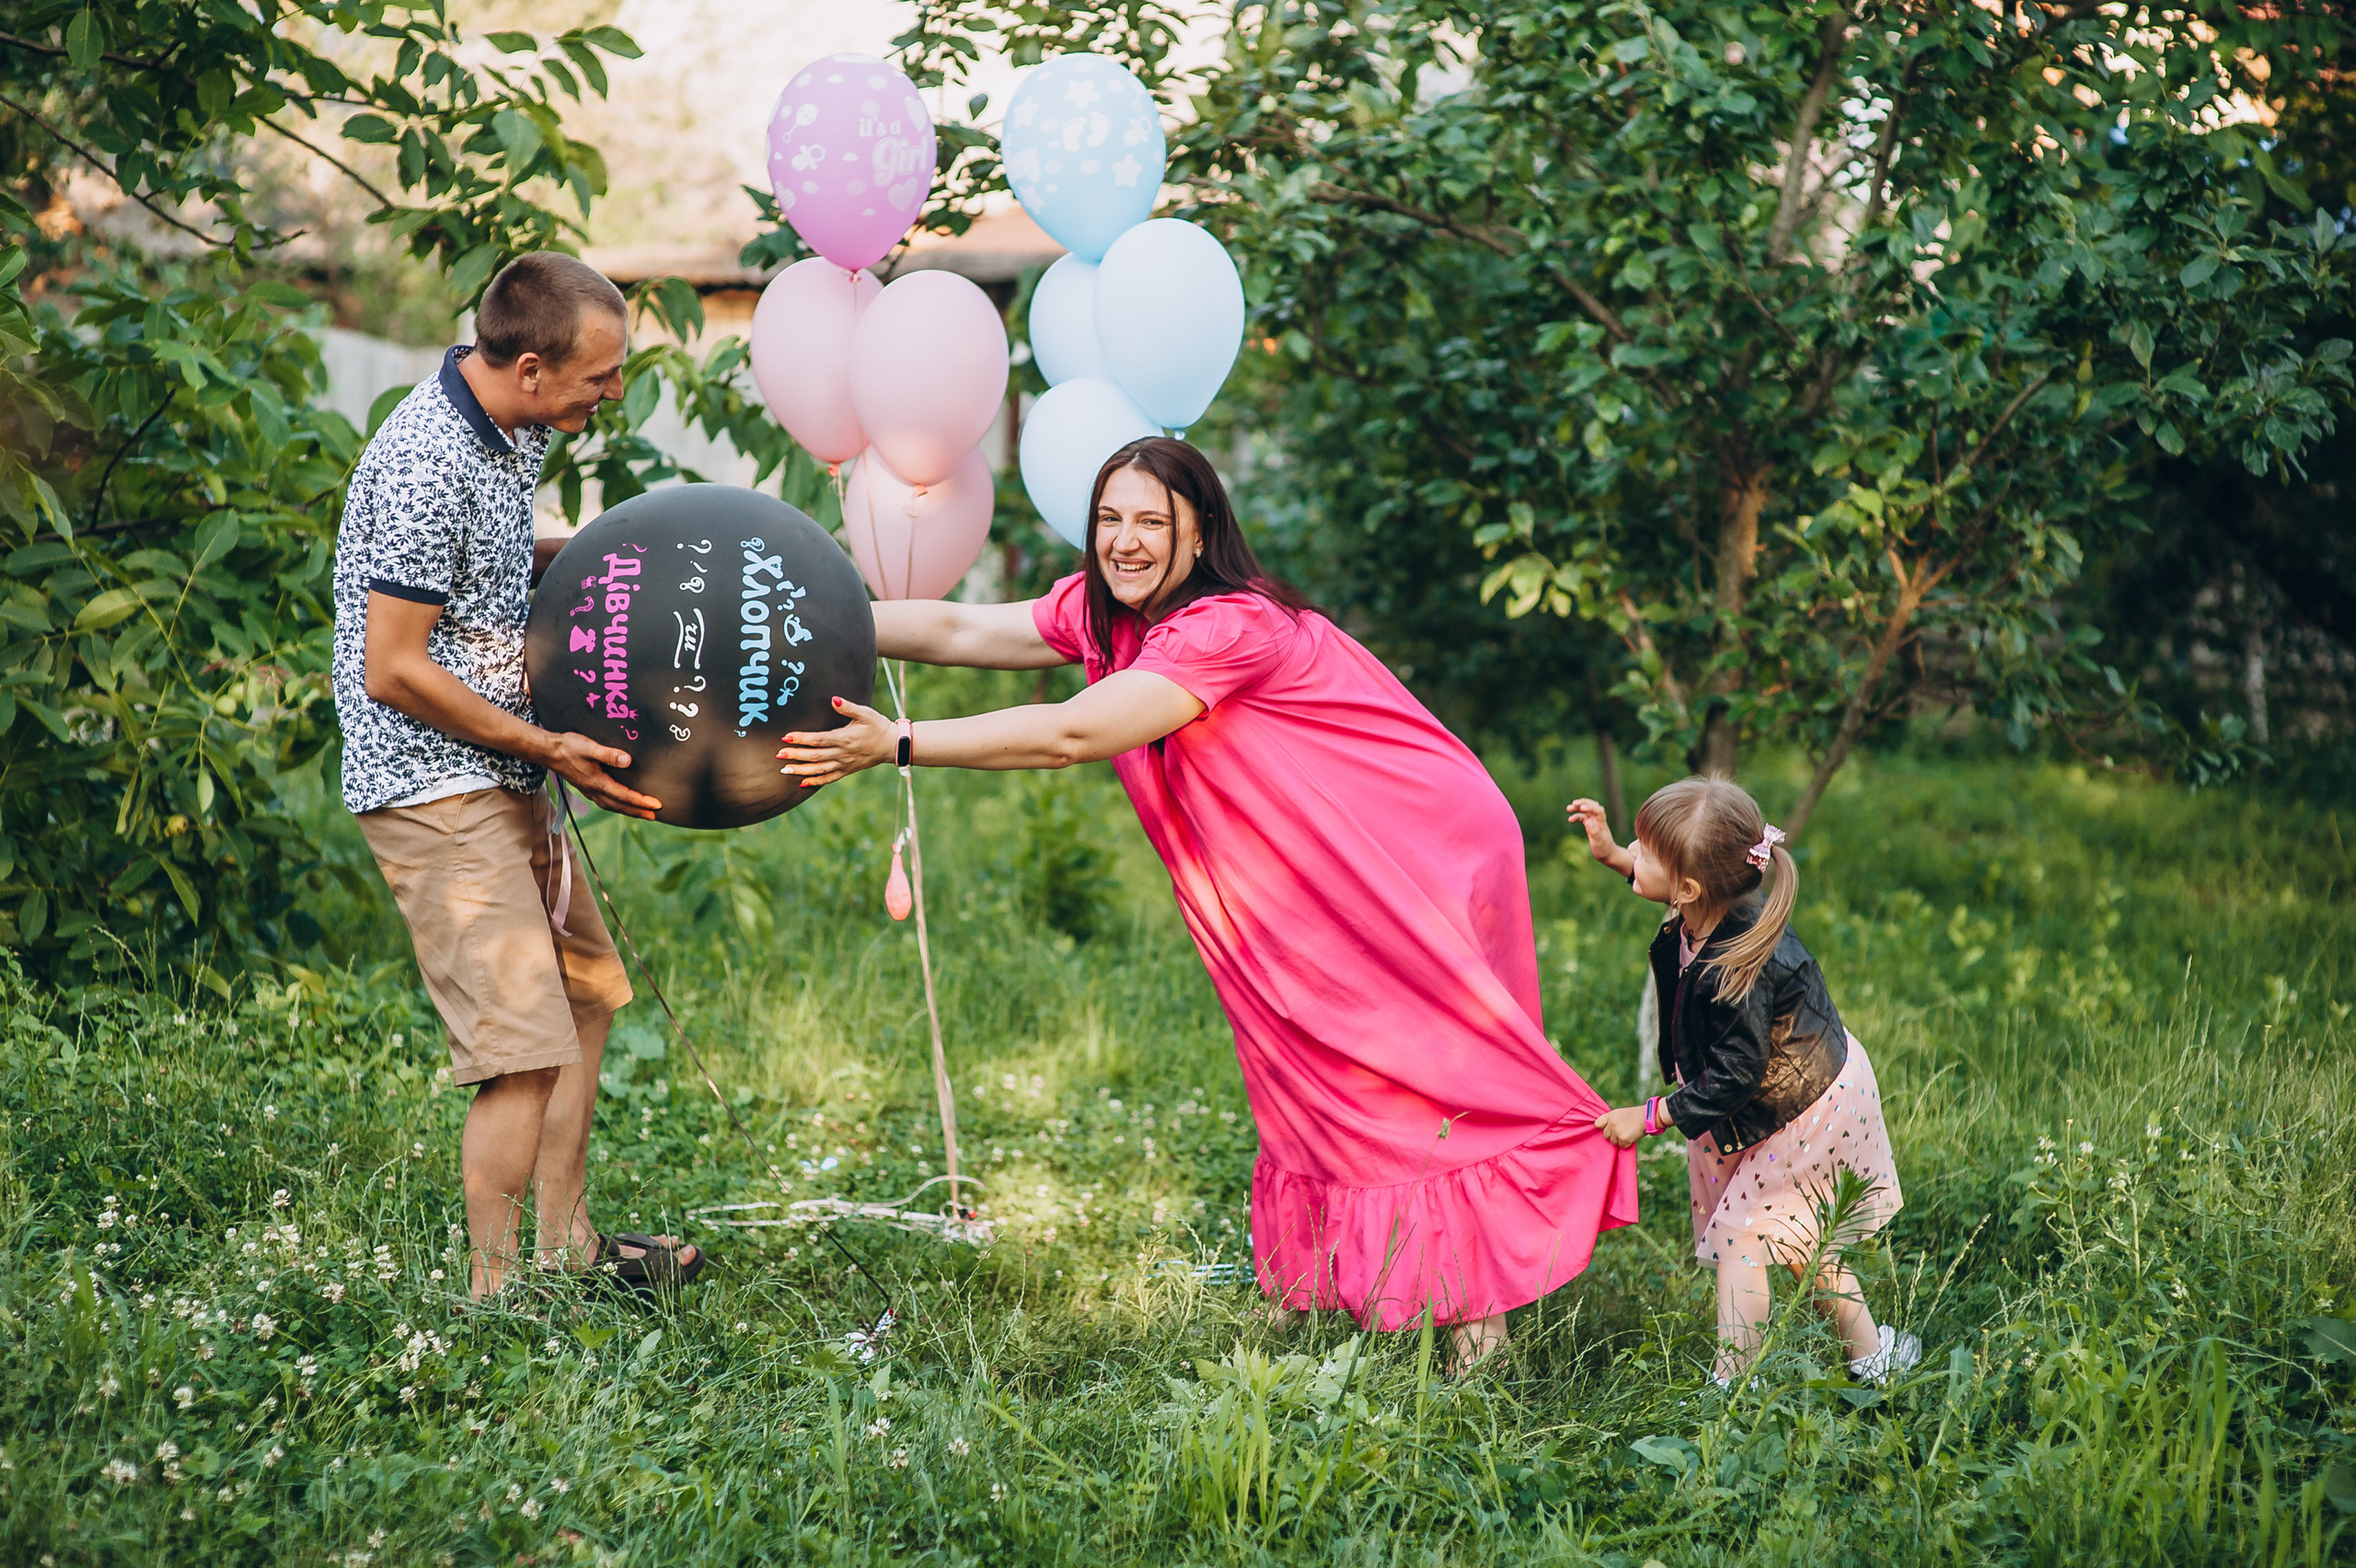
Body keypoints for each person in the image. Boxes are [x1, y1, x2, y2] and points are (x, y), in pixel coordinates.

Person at [780, 437, 1636, 1368]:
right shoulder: (1108, 618)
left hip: (1406, 848)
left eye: (1153, 521)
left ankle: (1479, 1323)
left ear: (1201, 533)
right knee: (1294, 1048)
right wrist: (829, 617)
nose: (1126, 542)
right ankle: (1328, 1278)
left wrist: (898, 741)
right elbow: (963, 633)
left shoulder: (1230, 626)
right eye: (1110, 519)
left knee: (1410, 1064)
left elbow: (1075, 732)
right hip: (1294, 869)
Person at [331, 251, 702, 1299]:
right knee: (521, 1048)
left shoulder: (514, 427)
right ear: (530, 365)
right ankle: (494, 1306)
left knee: (586, 996)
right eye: (600, 374)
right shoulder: (425, 461)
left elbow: (485, 566)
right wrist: (545, 746)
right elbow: (392, 667)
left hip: (504, 769)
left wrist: (598, 553)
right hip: (432, 783)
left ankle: (566, 1247)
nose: (614, 390)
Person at [1567, 778, 1919, 1386]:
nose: (1634, 853)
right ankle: (1873, 1354)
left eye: (1644, 850)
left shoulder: (1738, 970)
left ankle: (1733, 1386)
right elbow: (1664, 883)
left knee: (1743, 1239)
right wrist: (1618, 859)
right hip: (1784, 1096)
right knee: (1801, 1238)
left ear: (1689, 888)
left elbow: (1734, 1077)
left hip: (1801, 1108)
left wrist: (1650, 1116)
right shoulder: (1707, 907)